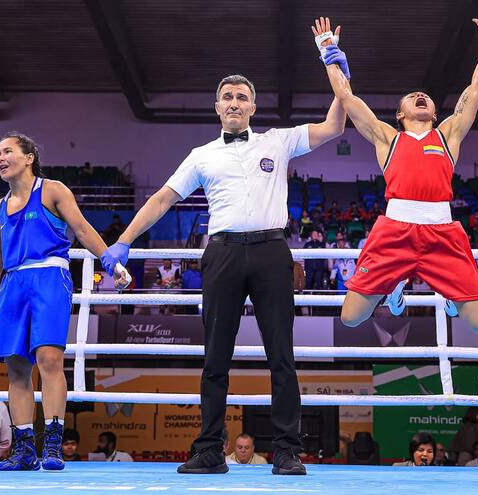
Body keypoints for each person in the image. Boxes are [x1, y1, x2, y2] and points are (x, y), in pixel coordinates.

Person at [100, 72, 346, 476]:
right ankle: (210, 450)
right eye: (227, 97)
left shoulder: (277, 140)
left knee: (281, 356)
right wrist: (123, 240)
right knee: (215, 357)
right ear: (217, 108)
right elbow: (163, 197)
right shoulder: (201, 155)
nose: (234, 102)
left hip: (271, 250)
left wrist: (340, 76)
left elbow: (335, 126)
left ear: (252, 107)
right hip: (223, 253)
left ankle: (287, 451)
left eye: (241, 97)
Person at [314, 12, 478, 333]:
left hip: (442, 231)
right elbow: (347, 97)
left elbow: (477, 87)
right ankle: (395, 283)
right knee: (351, 316)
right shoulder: (388, 137)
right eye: (413, 96)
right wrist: (328, 50)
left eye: (425, 96)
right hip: (394, 232)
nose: (421, 95)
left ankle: (447, 295)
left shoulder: (448, 134)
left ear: (434, 111)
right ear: (400, 113)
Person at [0, 132, 128, 472]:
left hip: (49, 277)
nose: (0, 158)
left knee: (49, 359)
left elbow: (82, 229)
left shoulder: (53, 190)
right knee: (16, 366)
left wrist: (111, 263)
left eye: (7, 151)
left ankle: (53, 442)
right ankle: (24, 447)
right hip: (13, 283)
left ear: (28, 157)